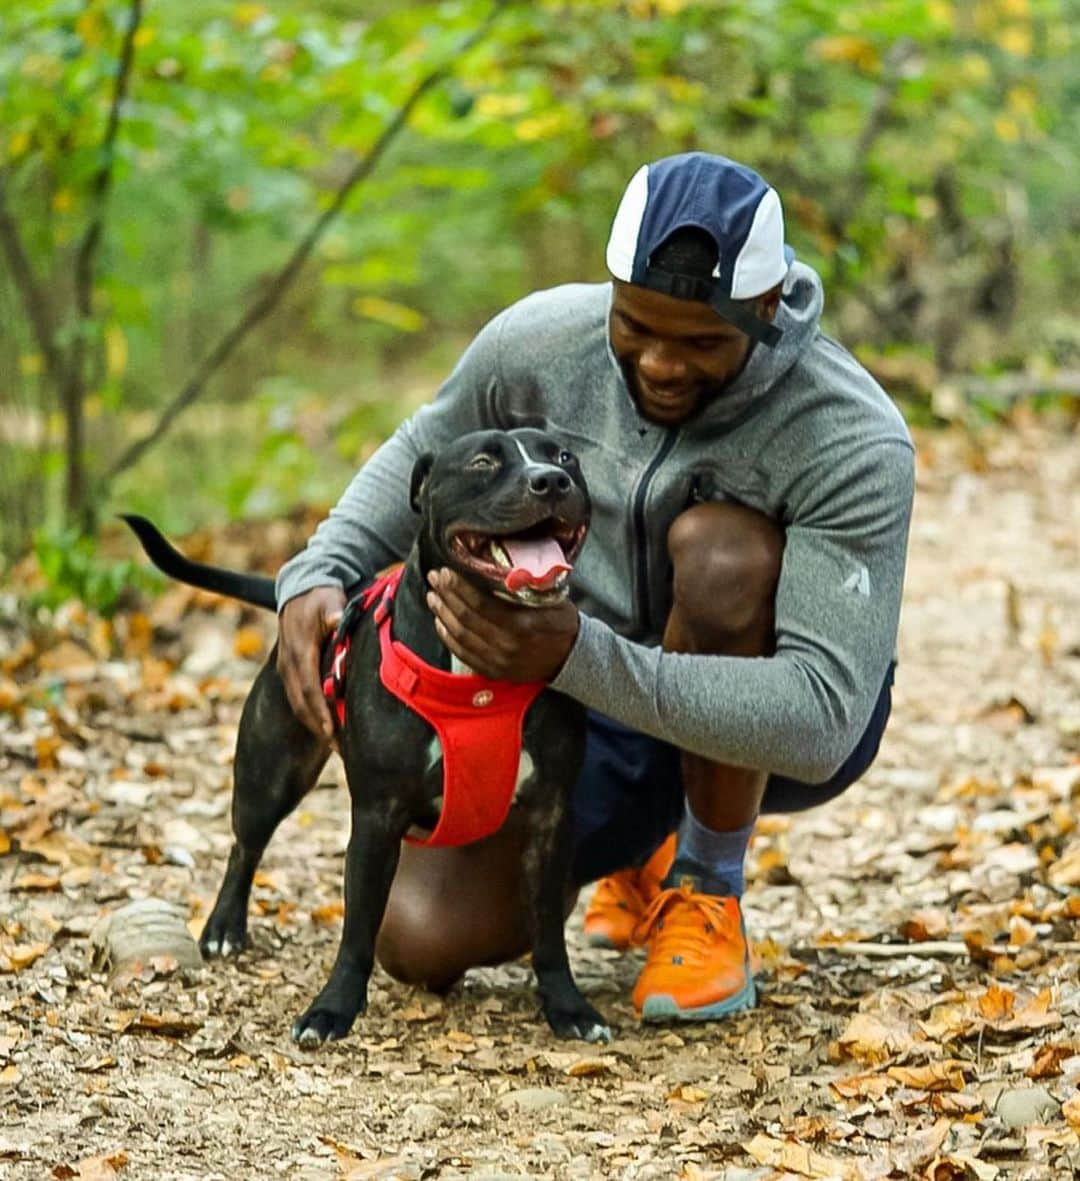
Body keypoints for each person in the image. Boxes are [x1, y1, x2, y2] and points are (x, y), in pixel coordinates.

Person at [273, 152, 915, 1022]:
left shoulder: (847, 433)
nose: (658, 362)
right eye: (636, 326)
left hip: (734, 703)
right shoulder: (540, 340)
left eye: (700, 342)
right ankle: (639, 849)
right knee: (421, 937)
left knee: (724, 553)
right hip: (576, 705)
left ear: (767, 311)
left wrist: (579, 653)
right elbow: (425, 444)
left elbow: (821, 721)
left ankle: (707, 886)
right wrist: (320, 571)